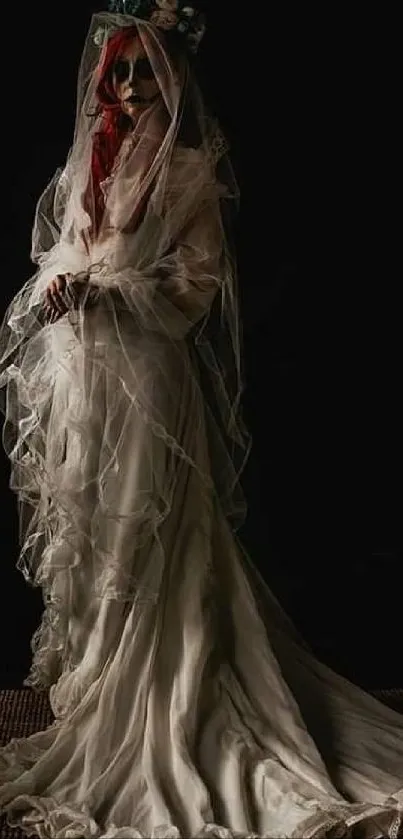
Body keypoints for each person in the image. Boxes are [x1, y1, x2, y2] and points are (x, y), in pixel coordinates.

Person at [0, 3, 403, 837]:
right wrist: (60, 289)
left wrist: (106, 294)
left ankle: (160, 686)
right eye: (120, 71)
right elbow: (60, 256)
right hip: (88, 376)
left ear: (173, 76)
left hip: (148, 374)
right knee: (96, 529)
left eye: (146, 70)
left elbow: (193, 292)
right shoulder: (90, 164)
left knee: (152, 533)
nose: (132, 86)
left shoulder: (188, 173)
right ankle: (101, 670)